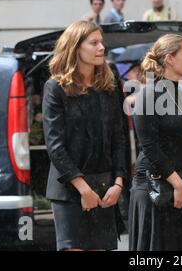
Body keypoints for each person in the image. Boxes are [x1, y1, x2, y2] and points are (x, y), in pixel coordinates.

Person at [42, 20, 127, 251]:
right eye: (94, 43)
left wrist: (118, 183)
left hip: (105, 189)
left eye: (102, 43)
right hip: (69, 190)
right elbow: (55, 147)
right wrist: (83, 188)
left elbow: (119, 139)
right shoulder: (55, 87)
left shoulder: (109, 86)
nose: (101, 48)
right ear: (76, 47)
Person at [128, 34, 182, 251]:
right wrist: (178, 184)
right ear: (170, 59)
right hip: (154, 190)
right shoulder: (147, 95)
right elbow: (150, 147)